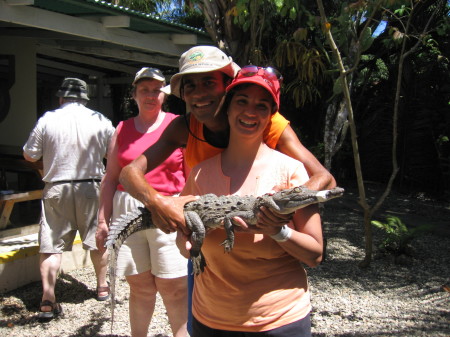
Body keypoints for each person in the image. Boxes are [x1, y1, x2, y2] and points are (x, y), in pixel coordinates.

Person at [119, 45, 336, 333]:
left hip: (273, 295)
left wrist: (275, 214)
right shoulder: (185, 128)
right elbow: (129, 172)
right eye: (190, 85)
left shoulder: (267, 123)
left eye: (209, 82)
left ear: (227, 85)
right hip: (210, 254)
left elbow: (323, 179)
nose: (199, 93)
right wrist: (159, 204)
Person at [177, 66, 322, 336]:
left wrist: (278, 231)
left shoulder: (291, 171)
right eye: (242, 101)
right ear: (228, 107)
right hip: (210, 317)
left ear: (271, 116)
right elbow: (182, 238)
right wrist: (190, 244)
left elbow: (315, 254)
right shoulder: (199, 172)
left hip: (279, 319)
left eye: (262, 106)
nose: (250, 112)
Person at [95, 68, 188, 337]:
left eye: (156, 89)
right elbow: (110, 178)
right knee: (140, 286)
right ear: (134, 94)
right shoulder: (121, 129)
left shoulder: (178, 125)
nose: (150, 95)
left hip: (168, 208)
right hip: (127, 210)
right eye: (144, 89)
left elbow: (192, 173)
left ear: (164, 95)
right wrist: (103, 221)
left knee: (174, 287)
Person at [23, 78, 114, 319]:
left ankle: (47, 298)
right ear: (84, 99)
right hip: (92, 187)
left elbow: (29, 154)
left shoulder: (47, 119)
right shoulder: (100, 120)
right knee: (98, 240)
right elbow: (114, 155)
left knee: (51, 246)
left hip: (56, 187)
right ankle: (102, 287)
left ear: (61, 98)